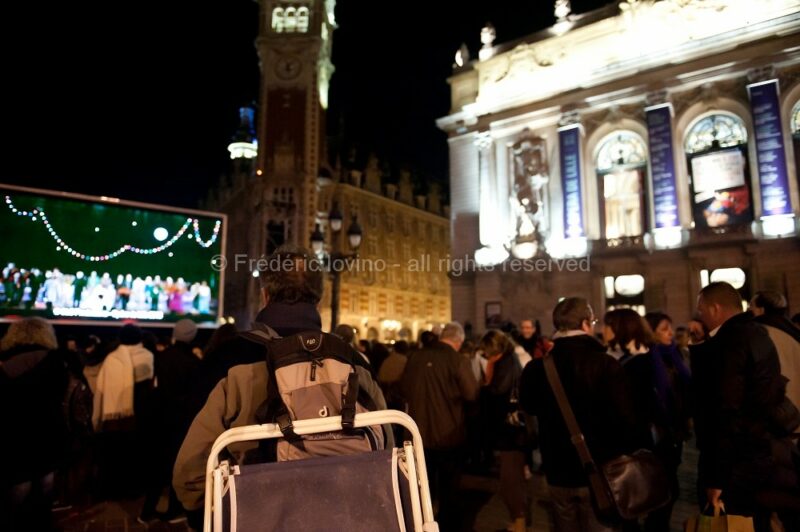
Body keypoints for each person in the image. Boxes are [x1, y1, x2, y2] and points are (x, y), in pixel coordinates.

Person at [172, 245, 389, 529]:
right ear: (319, 299)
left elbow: (189, 472)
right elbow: (387, 443)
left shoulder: (225, 360)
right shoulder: (353, 362)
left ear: (265, 295)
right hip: (344, 515)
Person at [520, 297, 636, 532]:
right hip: (600, 471)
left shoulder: (536, 368)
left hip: (556, 469)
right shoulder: (605, 364)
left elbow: (528, 408)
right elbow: (625, 419)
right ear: (585, 324)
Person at [693, 282, 800, 532]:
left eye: (702, 310)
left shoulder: (728, 342)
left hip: (736, 459)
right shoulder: (757, 333)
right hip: (760, 449)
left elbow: (724, 410)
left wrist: (715, 477)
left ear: (715, 308)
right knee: (757, 519)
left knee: (736, 521)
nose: (701, 316)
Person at [400, 321, 479, 532]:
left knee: (422, 485)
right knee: (449, 488)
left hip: (417, 433)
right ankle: (447, 524)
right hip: (448, 433)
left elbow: (403, 389)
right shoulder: (457, 360)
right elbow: (472, 394)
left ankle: (421, 523)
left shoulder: (415, 357)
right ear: (459, 341)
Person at [0, 317, 69, 531]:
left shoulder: (4, 362)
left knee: (17, 489)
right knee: (44, 489)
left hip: (13, 435)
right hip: (47, 433)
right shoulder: (55, 362)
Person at [478, 329, 531, 532]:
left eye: (487, 352)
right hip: (511, 432)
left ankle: (519, 521)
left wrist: (486, 383)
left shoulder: (505, 363)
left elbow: (496, 392)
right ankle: (518, 519)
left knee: (509, 480)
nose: (485, 356)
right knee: (511, 478)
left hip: (511, 433)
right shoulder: (508, 360)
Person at [750, 291, 800, 409]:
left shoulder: (761, 334)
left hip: (782, 408)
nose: (749, 311)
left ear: (761, 310)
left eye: (752, 306)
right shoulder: (793, 331)